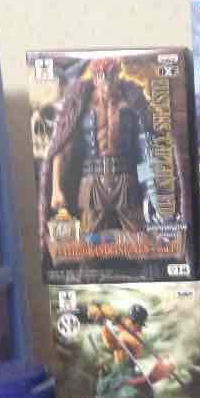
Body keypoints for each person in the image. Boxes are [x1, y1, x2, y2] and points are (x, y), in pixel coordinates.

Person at [39, 57, 156, 252]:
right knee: (89, 245)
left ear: (118, 75)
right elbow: (61, 146)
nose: (107, 82)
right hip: (91, 183)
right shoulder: (79, 105)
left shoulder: (132, 104)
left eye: (111, 75)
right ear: (94, 78)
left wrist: (149, 188)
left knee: (140, 243)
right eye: (101, 76)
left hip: (126, 180)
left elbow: (144, 149)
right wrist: (56, 188)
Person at [77, 302, 177, 398]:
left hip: (127, 375)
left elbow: (111, 343)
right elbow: (114, 316)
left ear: (138, 324)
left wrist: (103, 323)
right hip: (114, 375)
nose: (129, 322)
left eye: (133, 321)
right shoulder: (126, 327)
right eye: (129, 319)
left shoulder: (134, 338)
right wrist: (103, 313)